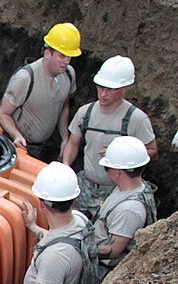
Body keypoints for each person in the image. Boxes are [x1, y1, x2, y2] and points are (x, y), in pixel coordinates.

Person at [61, 55, 158, 219]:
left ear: (125, 88)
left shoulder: (136, 119)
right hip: (85, 184)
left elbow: (152, 151)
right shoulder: (86, 113)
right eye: (100, 87)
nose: (103, 94)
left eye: (110, 89)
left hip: (115, 189)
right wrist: (66, 165)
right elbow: (73, 143)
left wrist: (120, 154)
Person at [0, 23, 80, 160]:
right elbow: (2, 114)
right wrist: (16, 135)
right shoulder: (26, 78)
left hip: (42, 145)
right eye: (62, 56)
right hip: (19, 144)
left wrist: (65, 138)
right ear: (47, 53)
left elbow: (64, 105)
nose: (66, 62)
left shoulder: (69, 75)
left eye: (69, 57)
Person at [93, 135, 158, 279]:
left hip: (104, 270)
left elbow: (113, 251)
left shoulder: (128, 210)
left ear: (117, 172)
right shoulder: (136, 186)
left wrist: (82, 248)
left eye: (107, 167)